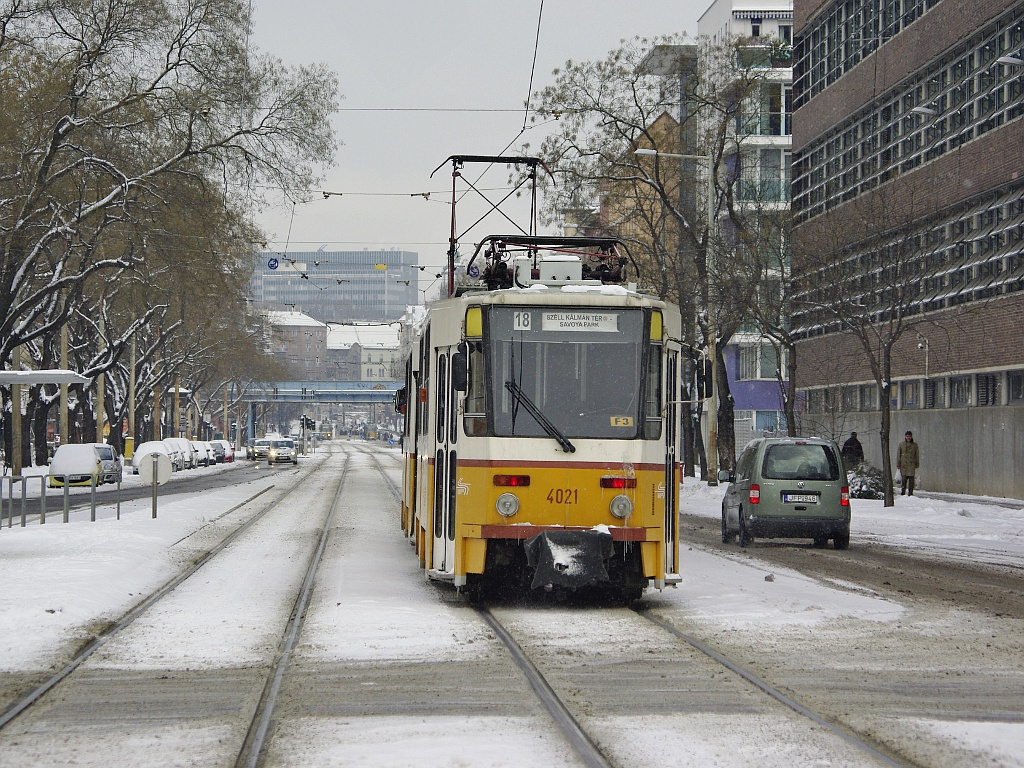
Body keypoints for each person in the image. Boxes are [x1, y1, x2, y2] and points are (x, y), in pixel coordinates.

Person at [896, 430, 921, 496]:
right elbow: (899, 454)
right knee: (904, 479)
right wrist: (898, 463)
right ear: (905, 437)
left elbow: (917, 455)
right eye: (907, 436)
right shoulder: (901, 444)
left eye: (909, 436)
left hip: (911, 464)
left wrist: (917, 464)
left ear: (911, 436)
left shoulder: (915, 445)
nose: (908, 438)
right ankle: (903, 492)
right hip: (903, 464)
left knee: (911, 480)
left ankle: (910, 493)